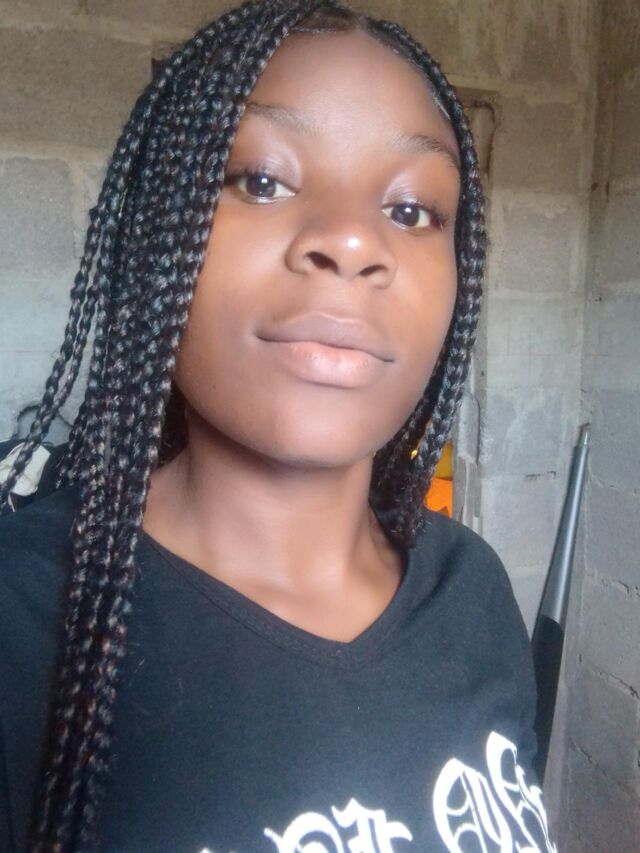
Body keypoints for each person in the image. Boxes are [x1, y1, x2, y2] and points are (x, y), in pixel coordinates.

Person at [0, 1, 558, 851]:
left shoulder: (471, 590)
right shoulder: (23, 619)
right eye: (261, 180)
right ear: (155, 232)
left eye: (412, 209)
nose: (351, 240)